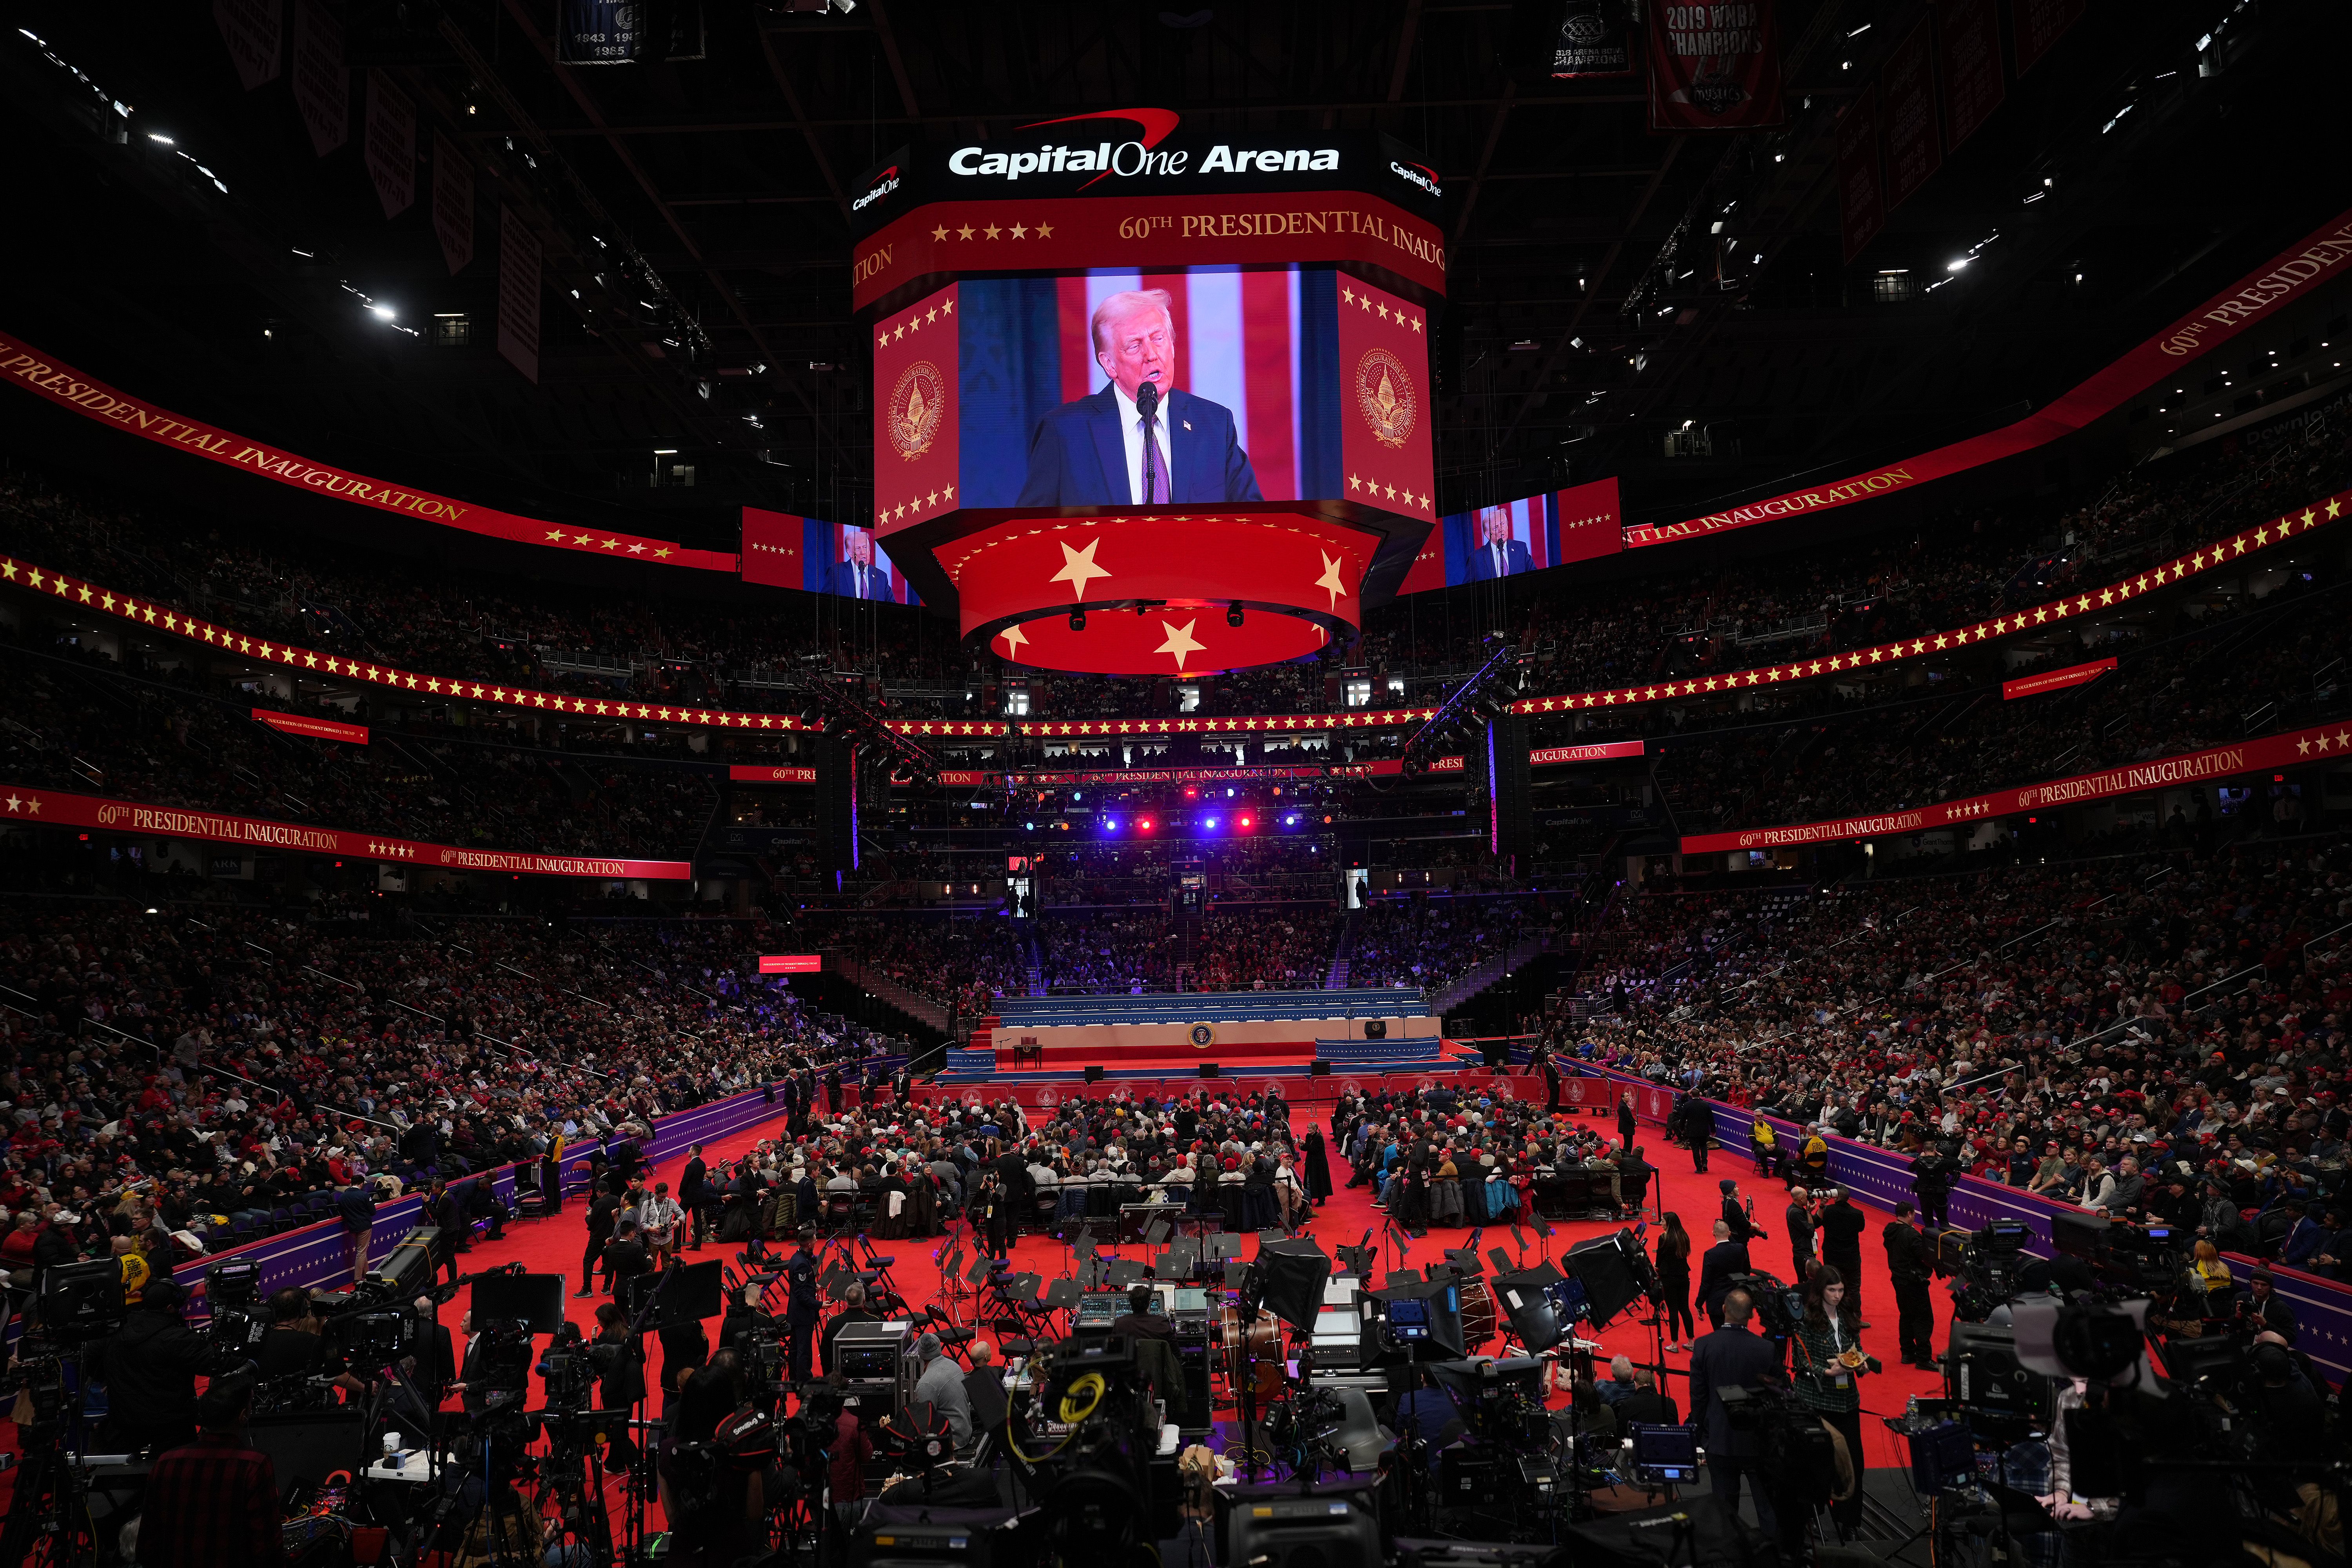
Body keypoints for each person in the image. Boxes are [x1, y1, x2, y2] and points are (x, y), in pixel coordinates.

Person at [1016, 289, 1263, 506]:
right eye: (1135, 346)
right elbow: (1032, 532)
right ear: (1109, 364)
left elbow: (1251, 519)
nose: (1152, 355)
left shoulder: (1215, 424)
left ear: (1173, 346)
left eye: (1159, 338)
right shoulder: (1065, 433)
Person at [134, 1367, 281, 1568]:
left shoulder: (167, 1462)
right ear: (243, 1416)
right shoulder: (254, 1465)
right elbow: (267, 1549)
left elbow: (146, 1546)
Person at [1687, 1289, 1784, 1541]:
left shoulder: (1704, 1345)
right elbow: (1779, 1395)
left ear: (1724, 1310)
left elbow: (1699, 1398)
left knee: (1725, 1512)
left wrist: (1701, 1435)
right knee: (1768, 1509)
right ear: (1751, 1315)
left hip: (1720, 1440)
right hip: (1758, 1442)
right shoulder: (1766, 1349)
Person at [88, 1280, 220, 1455]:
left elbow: (90, 1362)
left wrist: (110, 1379)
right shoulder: (178, 1339)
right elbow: (217, 1365)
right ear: (171, 1308)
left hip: (124, 1428)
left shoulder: (115, 1333)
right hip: (173, 1431)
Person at [657, 1356, 766, 1568]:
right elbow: (755, 1513)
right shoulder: (743, 1449)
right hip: (732, 1554)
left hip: (685, 1555)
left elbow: (672, 1517)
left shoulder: (667, 1451)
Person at [1791, 1267, 1873, 1537]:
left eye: (1841, 1291)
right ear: (1821, 1290)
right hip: (1816, 1399)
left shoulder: (1849, 1315)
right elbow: (1801, 1361)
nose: (1837, 1296)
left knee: (1854, 1464)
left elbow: (1856, 1348)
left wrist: (1860, 1364)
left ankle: (1848, 1520)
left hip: (1847, 1400)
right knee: (1816, 1462)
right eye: (1832, 1291)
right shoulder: (1806, 1318)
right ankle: (1811, 1516)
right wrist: (1826, 1371)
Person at [1885, 1202, 1938, 1368]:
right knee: (1923, 1319)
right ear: (1909, 1213)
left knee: (1906, 1315)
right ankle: (1923, 1358)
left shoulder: (1890, 1231)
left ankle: (1908, 1353)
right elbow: (1924, 1257)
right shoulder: (1912, 1236)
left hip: (1898, 1280)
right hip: (1913, 1282)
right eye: (1914, 1214)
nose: (1915, 1217)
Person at [909, 1332, 972, 1447]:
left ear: (921, 1355)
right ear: (939, 1348)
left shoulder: (926, 1383)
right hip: (965, 1431)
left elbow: (924, 1424)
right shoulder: (955, 1366)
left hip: (952, 1441)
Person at [828, 1398, 874, 1546]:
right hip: (849, 1498)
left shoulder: (814, 1422)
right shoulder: (854, 1423)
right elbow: (867, 1456)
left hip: (822, 1499)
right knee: (850, 1548)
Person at [1818, 1187, 1866, 1324]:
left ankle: (1828, 1317)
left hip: (1832, 1256)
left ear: (1835, 1197)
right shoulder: (1858, 1214)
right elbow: (1861, 1228)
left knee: (1830, 1286)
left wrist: (1822, 1205)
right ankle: (1856, 1318)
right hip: (1851, 1257)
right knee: (1854, 1288)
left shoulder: (1828, 1211)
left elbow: (1818, 1222)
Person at [1697, 1218, 1752, 1329]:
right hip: (1737, 1299)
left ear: (1713, 1234)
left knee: (1720, 1336)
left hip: (1717, 1302)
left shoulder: (1710, 1254)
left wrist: (1699, 1304)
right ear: (1730, 1233)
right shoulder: (1740, 1249)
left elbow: (1706, 1282)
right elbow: (1747, 1270)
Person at [785, 1228, 821, 1384]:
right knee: (803, 1351)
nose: (816, 1241)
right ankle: (804, 1384)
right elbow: (801, 1294)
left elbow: (802, 1286)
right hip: (802, 1314)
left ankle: (795, 1379)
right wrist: (820, 1304)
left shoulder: (798, 1257)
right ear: (809, 1244)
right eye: (815, 1239)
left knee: (795, 1349)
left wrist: (814, 1285)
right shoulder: (801, 1264)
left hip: (796, 1312)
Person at [1655, 1212, 1696, 1350]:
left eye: (1662, 1222)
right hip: (1684, 1276)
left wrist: (1657, 1266)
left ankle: (1674, 1344)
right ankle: (1691, 1342)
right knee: (1685, 1309)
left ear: (1669, 1223)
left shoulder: (1664, 1238)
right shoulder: (1684, 1236)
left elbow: (1660, 1258)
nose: (1661, 1224)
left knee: (1673, 1310)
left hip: (1669, 1277)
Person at [820, 1281, 881, 1374]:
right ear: (864, 1300)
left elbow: (826, 1354)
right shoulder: (875, 1321)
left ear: (846, 1300)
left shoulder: (833, 1322)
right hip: (870, 1372)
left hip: (840, 1374)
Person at [825, 526, 896, 601]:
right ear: (850, 553)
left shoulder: (881, 577)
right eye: (858, 548)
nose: (863, 552)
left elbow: (892, 605)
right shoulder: (837, 572)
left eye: (865, 548)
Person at [1465, 505, 1534, 581]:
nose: (1501, 529)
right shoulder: (1476, 559)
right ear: (1488, 535)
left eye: (1503, 524)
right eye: (1496, 528)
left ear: (1507, 526)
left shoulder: (1521, 548)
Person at [580, 1183, 621, 1297]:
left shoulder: (598, 1203)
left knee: (588, 1261)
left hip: (598, 1238)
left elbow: (591, 1223)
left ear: (599, 1192)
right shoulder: (616, 1199)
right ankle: (607, 1287)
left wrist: (588, 1216)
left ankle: (587, 1289)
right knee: (609, 1262)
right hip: (612, 1237)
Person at [336, 1180, 377, 1287]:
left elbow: (342, 1213)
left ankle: (368, 1275)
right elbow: (373, 1211)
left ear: (351, 1184)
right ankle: (357, 1279)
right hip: (364, 1226)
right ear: (361, 1184)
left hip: (352, 1226)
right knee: (361, 1252)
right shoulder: (364, 1195)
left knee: (362, 1251)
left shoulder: (342, 1197)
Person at [1110, 1284, 1178, 1345]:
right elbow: (1176, 1354)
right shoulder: (1163, 1324)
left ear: (1131, 1304)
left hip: (1132, 1360)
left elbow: (1113, 1351)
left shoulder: (1120, 1324)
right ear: (1149, 1303)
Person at [638, 1182, 684, 1271]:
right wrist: (651, 1229)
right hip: (652, 1239)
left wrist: (678, 1221)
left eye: (665, 1196)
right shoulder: (647, 1204)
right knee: (650, 1266)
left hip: (667, 1238)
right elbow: (642, 1224)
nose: (663, 1199)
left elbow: (682, 1214)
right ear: (655, 1193)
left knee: (667, 1265)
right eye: (661, 1197)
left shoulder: (671, 1202)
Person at [1784, 1182, 1818, 1282]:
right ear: (1801, 1199)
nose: (1809, 1198)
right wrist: (1808, 1213)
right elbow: (1811, 1231)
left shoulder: (1800, 1209)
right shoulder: (1795, 1213)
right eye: (1806, 1197)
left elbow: (1815, 1222)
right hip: (1803, 1254)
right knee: (1806, 1282)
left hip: (1806, 1251)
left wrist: (1821, 1207)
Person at [681, 1144, 710, 1250]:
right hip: (699, 1195)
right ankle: (698, 1244)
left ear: (693, 1152)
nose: (688, 1152)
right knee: (698, 1220)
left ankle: (676, 1246)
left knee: (678, 1218)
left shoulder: (690, 1166)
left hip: (689, 1196)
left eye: (689, 1150)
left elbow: (685, 1181)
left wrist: (681, 1193)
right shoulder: (702, 1164)